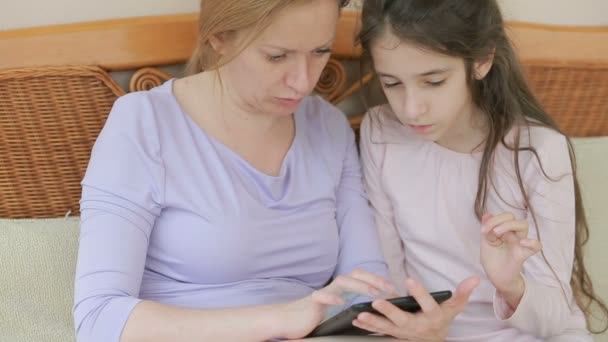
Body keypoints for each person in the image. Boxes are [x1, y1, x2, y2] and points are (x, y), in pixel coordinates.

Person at [72, 1, 401, 341]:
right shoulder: (144, 123)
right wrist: (280, 319)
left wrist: (401, 322)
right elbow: (99, 320)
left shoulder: (329, 126)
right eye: (277, 56)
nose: (303, 81)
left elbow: (366, 283)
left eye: (320, 51)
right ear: (218, 39)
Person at [353, 0, 608, 341]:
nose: (411, 109)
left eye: (434, 81)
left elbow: (553, 321)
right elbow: (389, 270)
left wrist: (511, 285)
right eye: (392, 83)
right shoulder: (381, 132)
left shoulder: (539, 151)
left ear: (483, 60)